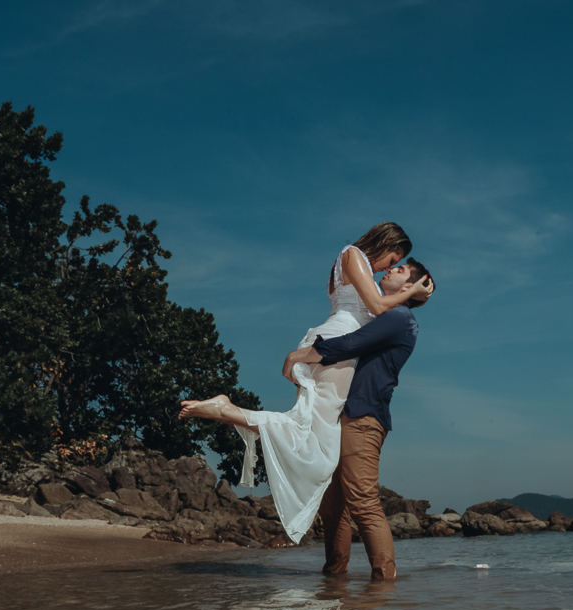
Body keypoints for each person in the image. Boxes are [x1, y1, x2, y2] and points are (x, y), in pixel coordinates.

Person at [178, 224, 432, 542]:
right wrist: (414, 292)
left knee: (314, 436)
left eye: (396, 265)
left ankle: (333, 580)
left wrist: (412, 293)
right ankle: (226, 410)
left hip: (331, 344)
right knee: (316, 442)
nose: (387, 267)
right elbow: (379, 308)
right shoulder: (354, 256)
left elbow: (382, 310)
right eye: (391, 259)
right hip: (337, 345)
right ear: (384, 243)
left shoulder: (357, 264)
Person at [282, 257, 433, 581]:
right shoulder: (389, 315)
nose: (390, 269)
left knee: (362, 502)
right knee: (333, 508)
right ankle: (334, 584)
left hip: (363, 419)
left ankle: (384, 586)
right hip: (343, 417)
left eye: (400, 269)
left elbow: (351, 344)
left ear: (408, 287)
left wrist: (300, 354)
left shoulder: (400, 318)